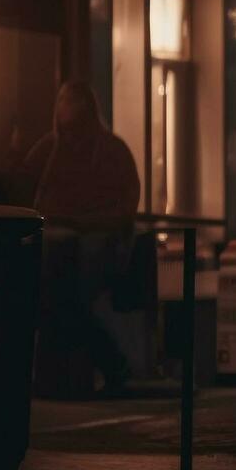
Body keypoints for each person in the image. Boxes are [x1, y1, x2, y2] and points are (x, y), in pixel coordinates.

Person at [24, 81, 142, 394]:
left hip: (99, 243)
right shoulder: (48, 151)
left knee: (61, 291)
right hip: (59, 245)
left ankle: (65, 374)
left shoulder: (110, 151)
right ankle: (107, 365)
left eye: (71, 102)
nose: (65, 107)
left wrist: (86, 223)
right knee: (60, 292)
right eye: (62, 100)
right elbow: (23, 187)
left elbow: (125, 207)